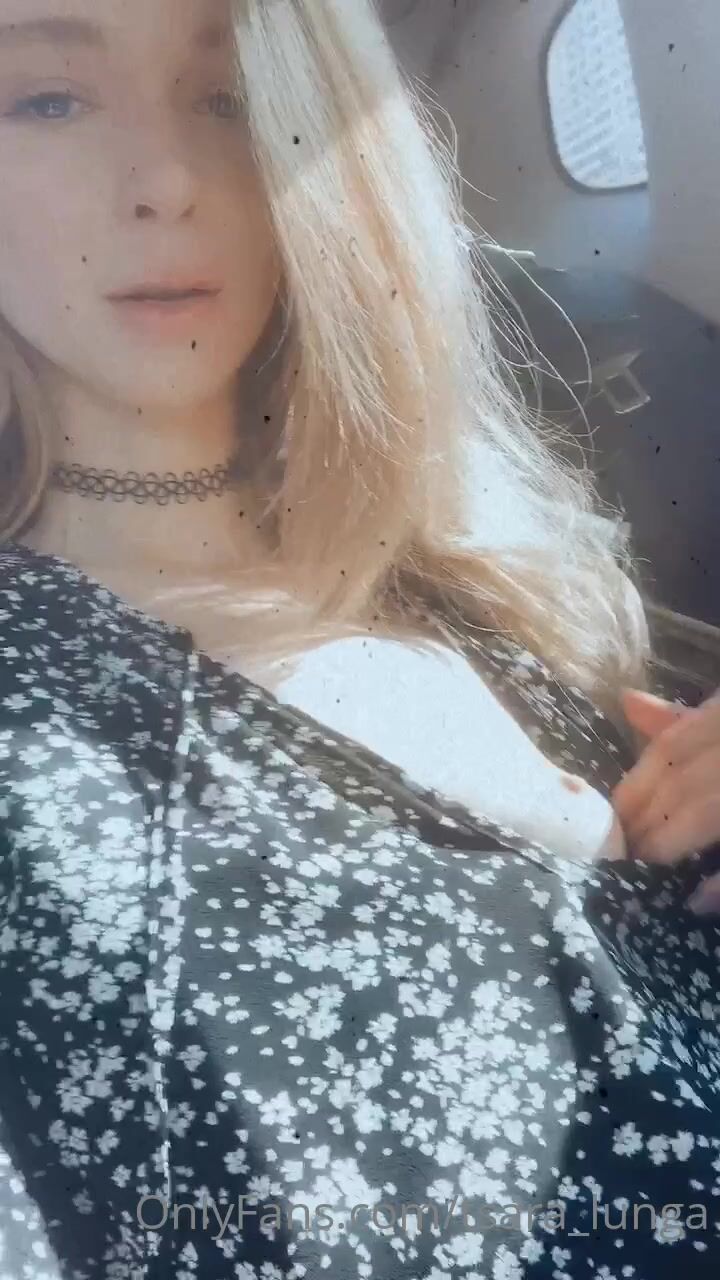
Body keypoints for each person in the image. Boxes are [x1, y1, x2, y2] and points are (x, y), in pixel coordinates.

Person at [0, 1, 719, 1276]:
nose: (165, 181)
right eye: (47, 100)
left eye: (230, 99)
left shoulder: (501, 579)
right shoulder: (31, 732)